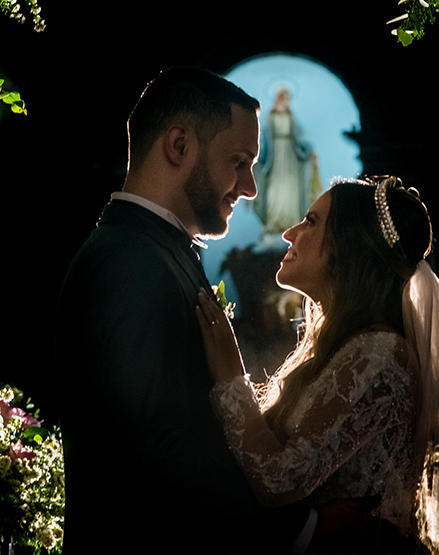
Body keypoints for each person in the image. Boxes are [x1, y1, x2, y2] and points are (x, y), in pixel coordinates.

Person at [196, 177, 439, 554]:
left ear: (350, 247)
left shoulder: (378, 356)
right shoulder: (345, 349)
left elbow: (278, 480)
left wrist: (231, 378)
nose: (289, 233)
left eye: (311, 221)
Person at [54, 66, 313, 553]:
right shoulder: (128, 262)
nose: (251, 187)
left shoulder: (156, 250)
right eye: (239, 161)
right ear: (178, 145)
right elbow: (159, 446)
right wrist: (303, 534)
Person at [252, 87, 322, 236]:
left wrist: (310, 152)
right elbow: (263, 140)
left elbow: (301, 137)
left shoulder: (292, 118)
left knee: (291, 190)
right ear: (277, 99)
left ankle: (292, 222)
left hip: (291, 159)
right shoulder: (268, 118)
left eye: (287, 99)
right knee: (275, 191)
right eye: (282, 98)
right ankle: (274, 223)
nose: (285, 102)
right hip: (274, 158)